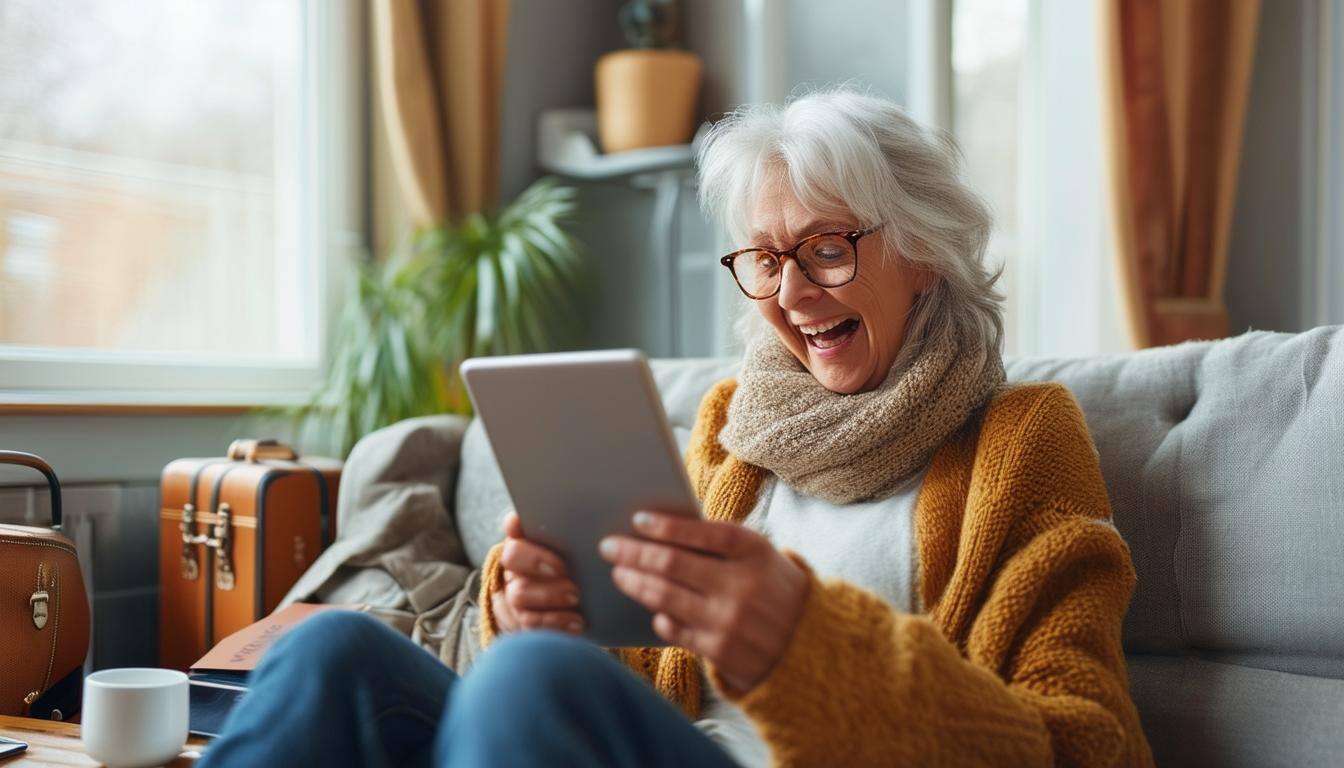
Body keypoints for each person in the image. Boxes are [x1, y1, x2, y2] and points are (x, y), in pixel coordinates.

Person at [200, 87, 1154, 767]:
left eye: (826, 249)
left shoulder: (1023, 441)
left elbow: (1090, 744)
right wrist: (540, 616)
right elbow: (636, 678)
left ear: (924, 256)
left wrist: (808, 646)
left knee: (533, 683)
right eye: (765, 257)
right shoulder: (729, 429)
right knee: (330, 654)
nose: (788, 292)